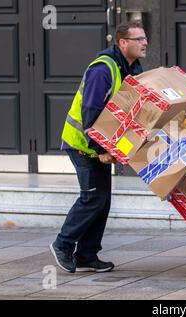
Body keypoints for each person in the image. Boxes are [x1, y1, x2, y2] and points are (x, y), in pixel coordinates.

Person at [50, 21, 148, 273]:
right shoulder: (102, 69)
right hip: (83, 144)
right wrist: (100, 148)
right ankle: (63, 244)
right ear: (123, 43)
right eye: (138, 39)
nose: (145, 43)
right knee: (93, 197)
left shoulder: (130, 68)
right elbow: (90, 111)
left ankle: (86, 254)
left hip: (100, 144)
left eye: (145, 38)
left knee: (102, 200)